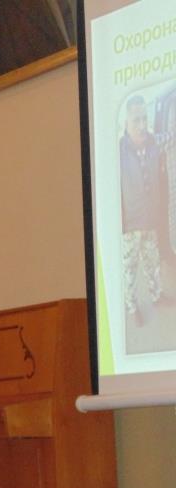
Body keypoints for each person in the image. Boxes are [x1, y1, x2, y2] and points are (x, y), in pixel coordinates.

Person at [120, 95, 166, 325]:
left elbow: (170, 136)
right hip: (130, 224)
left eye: (144, 118)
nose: (141, 125)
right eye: (136, 120)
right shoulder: (118, 151)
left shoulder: (154, 142)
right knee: (130, 269)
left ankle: (157, 295)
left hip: (150, 220)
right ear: (126, 123)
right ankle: (131, 306)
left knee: (152, 262)